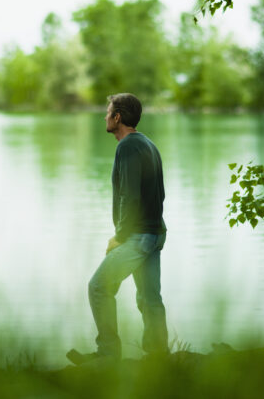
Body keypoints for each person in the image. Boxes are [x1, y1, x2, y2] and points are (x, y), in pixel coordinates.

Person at [67, 93, 169, 364]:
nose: (104, 116)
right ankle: (159, 356)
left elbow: (130, 197)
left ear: (118, 117)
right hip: (155, 233)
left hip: (138, 235)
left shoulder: (127, 147)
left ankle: (108, 354)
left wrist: (120, 236)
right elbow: (160, 195)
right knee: (149, 297)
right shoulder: (149, 144)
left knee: (99, 287)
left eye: (108, 111)